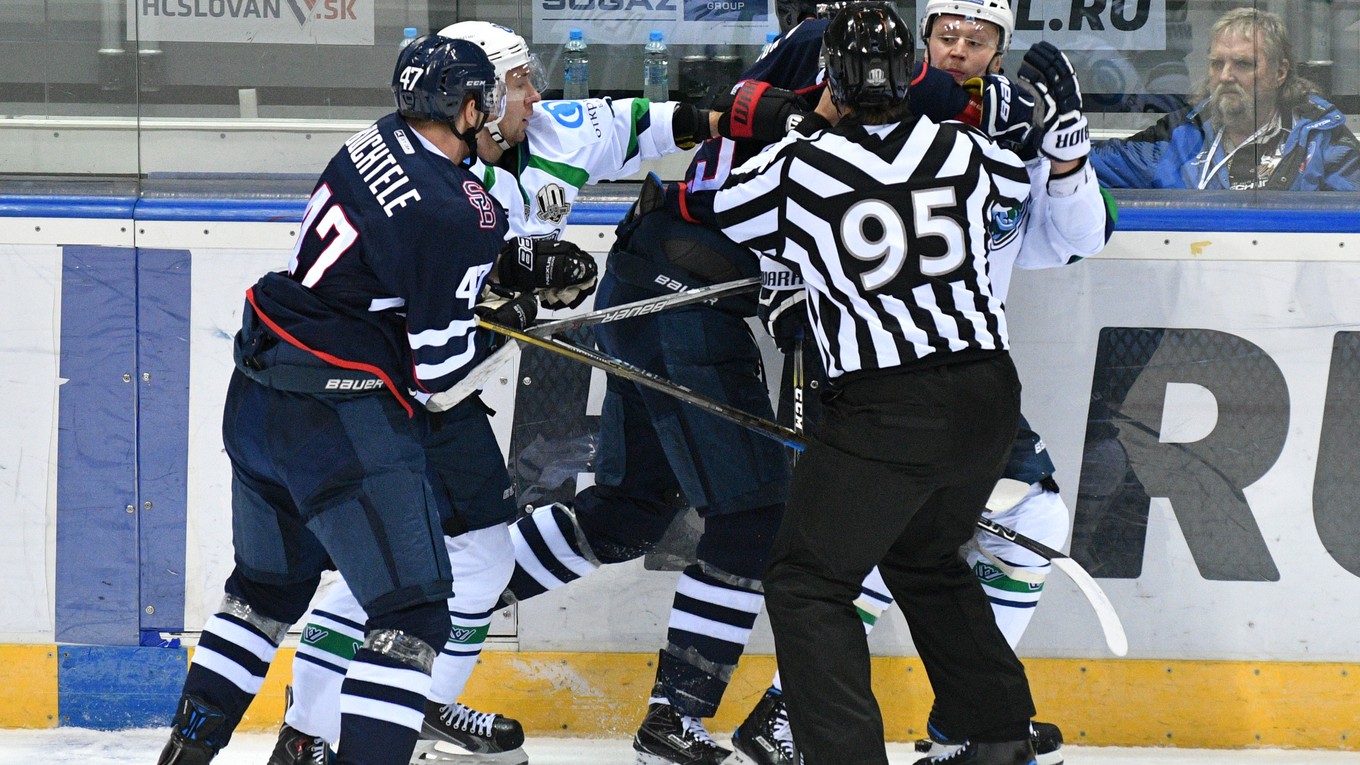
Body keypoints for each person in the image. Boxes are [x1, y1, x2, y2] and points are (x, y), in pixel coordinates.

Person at [265, 20, 786, 765]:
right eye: (517, 84)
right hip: (385, 383)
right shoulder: (436, 178)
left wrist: (741, 117)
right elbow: (437, 316)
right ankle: (313, 730)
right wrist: (517, 288)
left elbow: (647, 122)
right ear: (470, 97)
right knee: (393, 558)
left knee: (467, 546)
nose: (534, 96)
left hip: (446, 382)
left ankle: (410, 704)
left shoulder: (550, 129)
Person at [692, 3, 1042, 762]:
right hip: (987, 394)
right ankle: (999, 733)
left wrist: (792, 124)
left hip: (886, 407)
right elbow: (1014, 193)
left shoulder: (797, 169)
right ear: (910, 71)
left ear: (833, 80)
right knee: (924, 554)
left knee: (806, 582)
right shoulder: (971, 153)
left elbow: (716, 203)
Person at [154, 35, 513, 765]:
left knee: (262, 593)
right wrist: (517, 318)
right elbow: (439, 374)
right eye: (486, 99)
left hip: (258, 395)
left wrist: (496, 278)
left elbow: (388, 256)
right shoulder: (461, 210)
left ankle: (185, 755)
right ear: (466, 105)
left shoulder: (372, 139)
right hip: (338, 418)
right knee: (411, 613)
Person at [1090, 6, 1360, 190]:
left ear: (1280, 72)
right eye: (1217, 64)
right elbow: (1089, 166)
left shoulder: (1321, 138)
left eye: (1243, 64)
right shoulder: (1183, 134)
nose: (1225, 76)